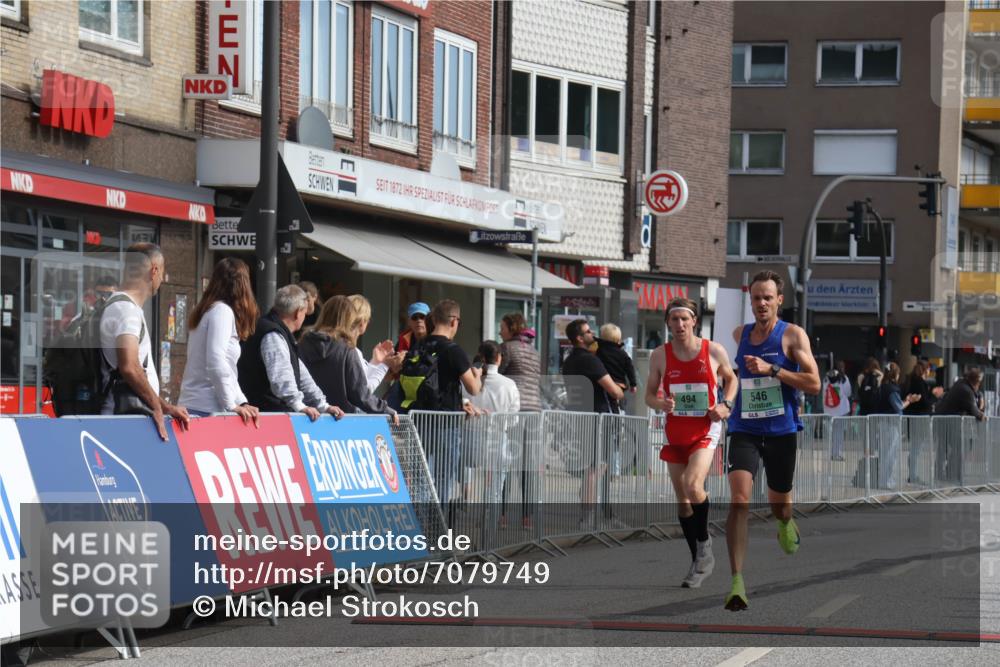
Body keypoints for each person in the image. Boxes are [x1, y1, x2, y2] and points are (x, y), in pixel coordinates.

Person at [724, 270, 821, 611]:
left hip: (781, 431)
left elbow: (814, 383)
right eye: (756, 298)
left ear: (779, 300)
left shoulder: (792, 335)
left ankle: (784, 521)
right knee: (739, 499)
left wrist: (773, 370)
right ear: (750, 301)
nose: (761, 303)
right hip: (744, 428)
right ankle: (737, 582)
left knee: (780, 504)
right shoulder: (740, 334)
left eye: (767, 297)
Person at [646, 298, 738, 588]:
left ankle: (705, 545)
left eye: (685, 319)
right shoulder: (659, 355)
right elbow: (649, 395)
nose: (680, 324)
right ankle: (699, 559)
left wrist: (726, 405)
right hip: (676, 432)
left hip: (704, 429)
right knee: (683, 502)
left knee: (692, 484)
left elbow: (732, 380)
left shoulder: (713, 350)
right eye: (674, 319)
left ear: (694, 321)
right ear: (668, 323)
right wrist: (661, 403)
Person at [99, 243, 190, 440]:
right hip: (124, 420)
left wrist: (164, 406)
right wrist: (157, 407)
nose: (162, 279)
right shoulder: (126, 310)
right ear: (154, 271)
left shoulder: (121, 306)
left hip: (126, 416)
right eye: (162, 272)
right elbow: (130, 367)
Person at [236, 284, 344, 420]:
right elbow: (281, 377)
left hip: (263, 414)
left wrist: (322, 405)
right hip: (266, 416)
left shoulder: (277, 332)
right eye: (304, 313)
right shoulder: (273, 334)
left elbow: (300, 373)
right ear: (298, 312)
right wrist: (299, 405)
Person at [414, 300, 482, 506]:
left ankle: (420, 520)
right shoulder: (453, 350)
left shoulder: (420, 345)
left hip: (419, 420)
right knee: (443, 477)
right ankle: (437, 521)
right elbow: (474, 388)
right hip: (446, 424)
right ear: (454, 321)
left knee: (419, 476)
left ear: (434, 319)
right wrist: (478, 374)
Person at [179, 258, 260, 425]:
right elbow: (216, 361)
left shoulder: (207, 310)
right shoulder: (222, 312)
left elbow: (227, 369)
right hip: (208, 408)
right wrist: (231, 404)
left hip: (198, 404)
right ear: (242, 284)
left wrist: (241, 401)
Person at [561, 319, 624, 528]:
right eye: (588, 331)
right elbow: (614, 391)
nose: (593, 334)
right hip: (598, 418)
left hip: (581, 418)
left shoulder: (569, 361)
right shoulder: (590, 360)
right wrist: (621, 389)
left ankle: (603, 512)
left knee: (596, 467)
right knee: (596, 468)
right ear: (579, 338)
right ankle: (587, 516)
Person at [299, 295, 398, 423]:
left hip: (304, 419)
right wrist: (385, 409)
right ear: (350, 318)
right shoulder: (347, 349)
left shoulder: (302, 344)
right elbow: (360, 394)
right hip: (340, 421)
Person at [464, 340, 521, 515]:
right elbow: (513, 419)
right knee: (495, 489)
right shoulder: (509, 384)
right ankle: (489, 522)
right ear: (498, 358)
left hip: (470, 438)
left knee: (457, 478)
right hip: (498, 439)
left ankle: (456, 512)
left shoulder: (469, 381)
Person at [498, 312, 542, 529]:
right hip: (534, 410)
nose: (500, 332)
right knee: (527, 465)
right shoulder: (534, 351)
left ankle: (502, 515)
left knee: (506, 462)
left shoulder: (506, 348)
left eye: (502, 328)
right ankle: (527, 518)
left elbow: (498, 374)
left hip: (515, 410)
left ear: (511, 328)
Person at [870, 362, 921, 489]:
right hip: (891, 424)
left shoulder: (882, 386)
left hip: (882, 423)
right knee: (890, 454)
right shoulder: (892, 389)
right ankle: (886, 481)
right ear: (895, 374)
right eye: (898, 373)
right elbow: (898, 407)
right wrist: (910, 400)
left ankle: (884, 480)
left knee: (884, 453)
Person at [347, 294, 400, 393]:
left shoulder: (345, 347)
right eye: (368, 319)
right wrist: (385, 365)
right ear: (362, 322)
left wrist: (375, 361)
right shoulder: (351, 351)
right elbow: (364, 391)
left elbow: (363, 381)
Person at [595, 322, 638, 414]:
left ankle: (614, 417)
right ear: (618, 339)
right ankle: (617, 416)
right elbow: (630, 368)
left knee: (608, 403)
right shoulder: (623, 353)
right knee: (615, 403)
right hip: (620, 384)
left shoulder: (600, 351)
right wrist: (633, 384)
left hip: (607, 383)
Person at [821, 363, 853, 460]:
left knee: (830, 433)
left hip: (829, 410)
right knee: (839, 433)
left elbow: (824, 393)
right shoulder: (843, 378)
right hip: (841, 410)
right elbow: (848, 393)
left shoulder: (826, 378)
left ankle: (830, 452)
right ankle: (837, 453)